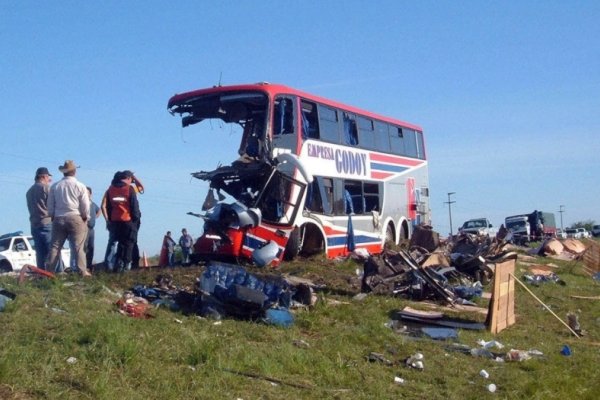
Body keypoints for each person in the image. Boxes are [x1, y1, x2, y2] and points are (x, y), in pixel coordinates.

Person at [46, 160, 91, 277]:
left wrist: (52, 215)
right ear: (75, 171)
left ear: (63, 173)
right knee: (78, 246)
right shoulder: (80, 186)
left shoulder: (55, 186)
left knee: (55, 246)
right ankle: (82, 271)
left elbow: (50, 205)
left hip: (58, 217)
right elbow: (85, 205)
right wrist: (85, 216)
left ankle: (49, 271)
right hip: (75, 216)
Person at [104, 171, 141, 272]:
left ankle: (118, 266)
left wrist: (110, 220)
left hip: (115, 221)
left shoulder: (110, 190)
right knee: (129, 244)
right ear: (128, 178)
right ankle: (126, 266)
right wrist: (136, 220)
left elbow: (108, 207)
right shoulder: (129, 189)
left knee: (118, 244)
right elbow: (134, 207)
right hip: (128, 221)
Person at [25, 167, 53, 269]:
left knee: (40, 252)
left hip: (34, 224)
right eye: (48, 177)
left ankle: (41, 274)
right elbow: (52, 206)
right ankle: (55, 274)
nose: (48, 179)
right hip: (46, 222)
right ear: (43, 176)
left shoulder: (29, 192)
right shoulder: (46, 188)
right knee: (52, 250)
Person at [85, 187, 101, 271]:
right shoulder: (82, 203)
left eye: (87, 192)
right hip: (84, 228)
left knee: (91, 247)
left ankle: (89, 265)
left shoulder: (93, 204)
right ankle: (83, 266)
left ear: (90, 194)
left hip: (91, 229)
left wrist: (95, 217)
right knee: (84, 247)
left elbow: (99, 210)